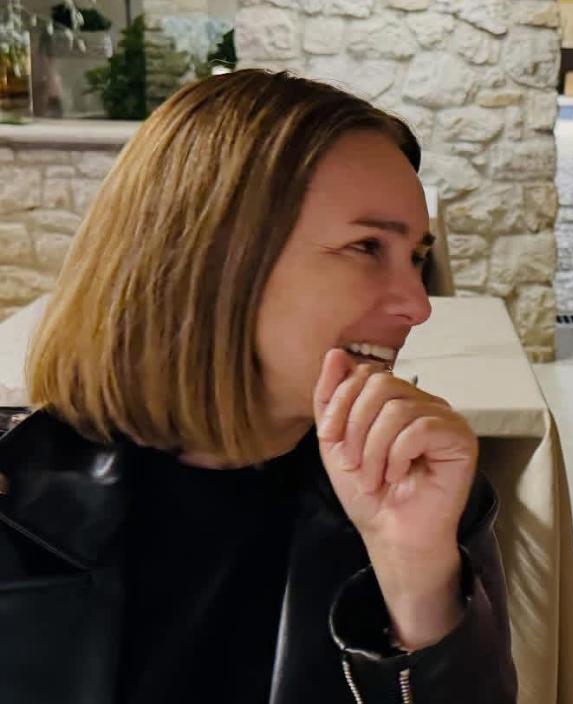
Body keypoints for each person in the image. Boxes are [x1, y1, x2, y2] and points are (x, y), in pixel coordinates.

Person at [0, 69, 516, 703]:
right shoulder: (18, 504)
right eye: (366, 247)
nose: (418, 304)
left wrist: (418, 579)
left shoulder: (415, 492)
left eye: (415, 257)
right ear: (207, 259)